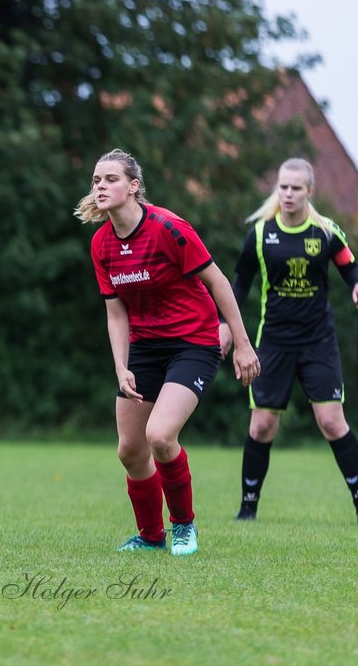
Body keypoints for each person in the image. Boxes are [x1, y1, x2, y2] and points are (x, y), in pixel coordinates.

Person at [79, 148, 259, 555]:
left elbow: (219, 284)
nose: (101, 186)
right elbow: (116, 315)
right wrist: (121, 367)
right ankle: (151, 536)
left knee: (160, 436)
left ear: (133, 186)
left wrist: (242, 344)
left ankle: (183, 527)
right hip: (144, 347)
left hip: (192, 342)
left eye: (110, 179)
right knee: (130, 450)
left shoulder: (168, 227)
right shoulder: (102, 244)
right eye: (96, 180)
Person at [225, 158, 358, 526]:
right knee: (262, 426)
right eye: (283, 187)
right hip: (274, 340)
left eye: (296, 188)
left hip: (317, 341)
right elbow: (240, 281)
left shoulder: (325, 232)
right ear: (277, 188)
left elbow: (349, 265)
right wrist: (226, 325)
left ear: (310, 191)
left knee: (330, 421)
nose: (288, 194)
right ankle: (248, 509)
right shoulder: (261, 234)